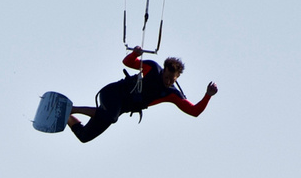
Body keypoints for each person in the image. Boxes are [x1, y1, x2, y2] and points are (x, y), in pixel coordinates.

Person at [67, 48, 218, 143]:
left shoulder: (172, 94)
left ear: (177, 78)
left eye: (172, 80)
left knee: (84, 136)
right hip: (112, 93)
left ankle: (66, 114)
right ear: (164, 70)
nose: (167, 81)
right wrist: (135, 53)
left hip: (118, 108)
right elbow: (127, 61)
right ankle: (71, 109)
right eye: (166, 77)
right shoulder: (152, 68)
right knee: (110, 117)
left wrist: (208, 95)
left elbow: (194, 112)